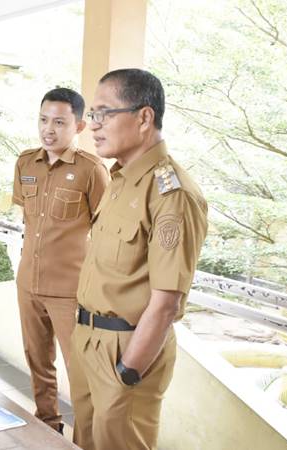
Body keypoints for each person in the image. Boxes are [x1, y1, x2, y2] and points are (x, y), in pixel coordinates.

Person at [69, 69, 208, 450]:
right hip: (89, 340)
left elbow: (166, 304)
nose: (92, 126)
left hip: (124, 349)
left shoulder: (171, 193)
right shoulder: (121, 179)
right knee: (85, 442)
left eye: (103, 114)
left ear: (144, 118)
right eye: (92, 116)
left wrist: (128, 371)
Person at [11, 88, 109, 433]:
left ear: (79, 126)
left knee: (79, 373)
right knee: (37, 361)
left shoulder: (92, 170)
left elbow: (107, 233)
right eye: (43, 119)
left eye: (58, 122)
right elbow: (30, 221)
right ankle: (48, 428)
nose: (48, 129)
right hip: (28, 283)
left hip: (70, 291)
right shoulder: (25, 163)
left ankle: (85, 439)